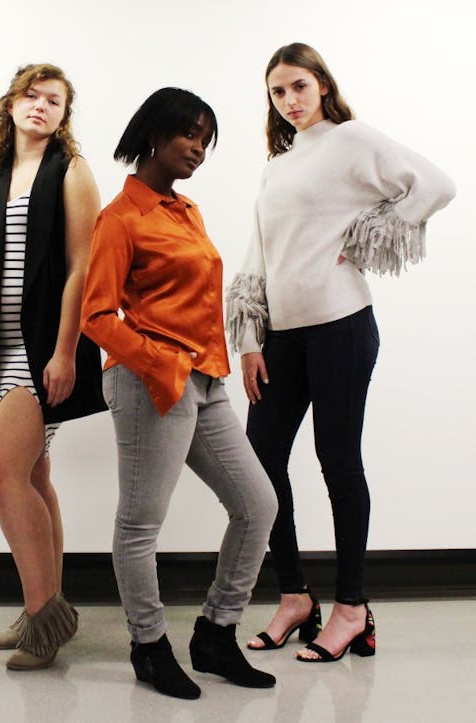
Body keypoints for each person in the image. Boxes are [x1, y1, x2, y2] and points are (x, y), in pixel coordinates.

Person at [226, 42, 456, 663]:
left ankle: (352, 607)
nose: (290, 100)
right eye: (277, 92)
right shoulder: (277, 164)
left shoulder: (352, 140)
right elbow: (258, 253)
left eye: (299, 86)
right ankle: (295, 595)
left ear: (322, 84)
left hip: (341, 326)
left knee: (336, 458)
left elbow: (436, 184)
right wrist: (248, 340)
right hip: (282, 334)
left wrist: (367, 235)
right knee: (261, 461)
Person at [80, 88, 278, 700]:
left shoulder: (186, 211)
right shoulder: (121, 217)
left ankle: (216, 634)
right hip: (147, 380)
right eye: (189, 134)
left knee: (257, 506)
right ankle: (149, 644)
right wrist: (158, 362)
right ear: (153, 135)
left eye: (205, 139)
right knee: (141, 523)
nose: (197, 148)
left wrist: (204, 365)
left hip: (206, 380)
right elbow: (97, 315)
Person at [0, 63, 105, 670]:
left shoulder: (72, 172)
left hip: (46, 351)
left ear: (63, 116)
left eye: (54, 100)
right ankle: (47, 606)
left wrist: (64, 351)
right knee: (32, 478)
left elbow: (83, 268)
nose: (40, 106)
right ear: (10, 105)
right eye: (31, 95)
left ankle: (43, 624)